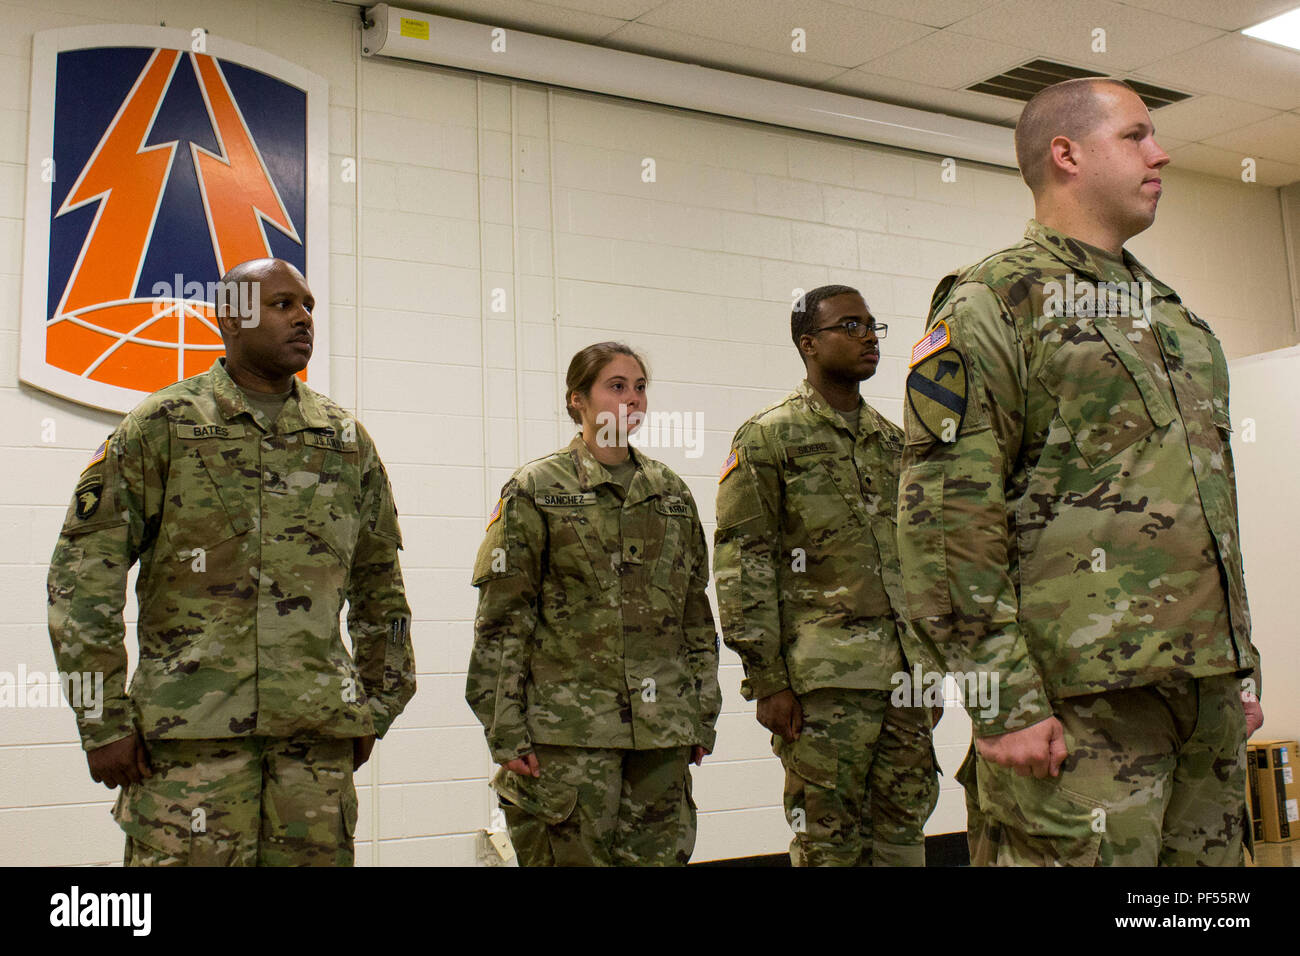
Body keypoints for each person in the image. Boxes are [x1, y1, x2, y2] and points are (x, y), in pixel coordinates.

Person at [897, 77, 1265, 867]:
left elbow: (1209, 506)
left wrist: (1239, 665)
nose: (1160, 152)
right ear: (1065, 153)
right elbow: (944, 520)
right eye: (1136, 135)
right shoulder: (994, 304)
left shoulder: (1175, 319)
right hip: (1075, 713)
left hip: (1204, 702)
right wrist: (1001, 700)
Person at [47, 258, 415, 866]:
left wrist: (376, 706)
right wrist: (102, 720)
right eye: (281, 305)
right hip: (189, 749)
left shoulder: (344, 440)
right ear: (230, 317)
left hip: (313, 756)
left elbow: (382, 586)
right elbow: (84, 578)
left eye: (308, 306)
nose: (303, 318)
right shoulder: (162, 426)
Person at [467, 342, 720, 866]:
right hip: (568, 736)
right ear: (577, 400)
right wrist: (505, 729)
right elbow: (503, 621)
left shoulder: (670, 494)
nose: (632, 400)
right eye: (616, 386)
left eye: (640, 387)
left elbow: (695, 617)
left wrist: (702, 713)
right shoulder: (537, 489)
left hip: (661, 735)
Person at [714, 285, 940, 866]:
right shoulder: (768, 438)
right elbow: (745, 563)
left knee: (903, 834)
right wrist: (766, 679)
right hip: (824, 682)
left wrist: (932, 664)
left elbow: (922, 557)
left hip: (905, 677)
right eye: (851, 325)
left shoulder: (895, 442)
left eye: (872, 325)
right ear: (809, 344)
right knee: (827, 841)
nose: (869, 336)